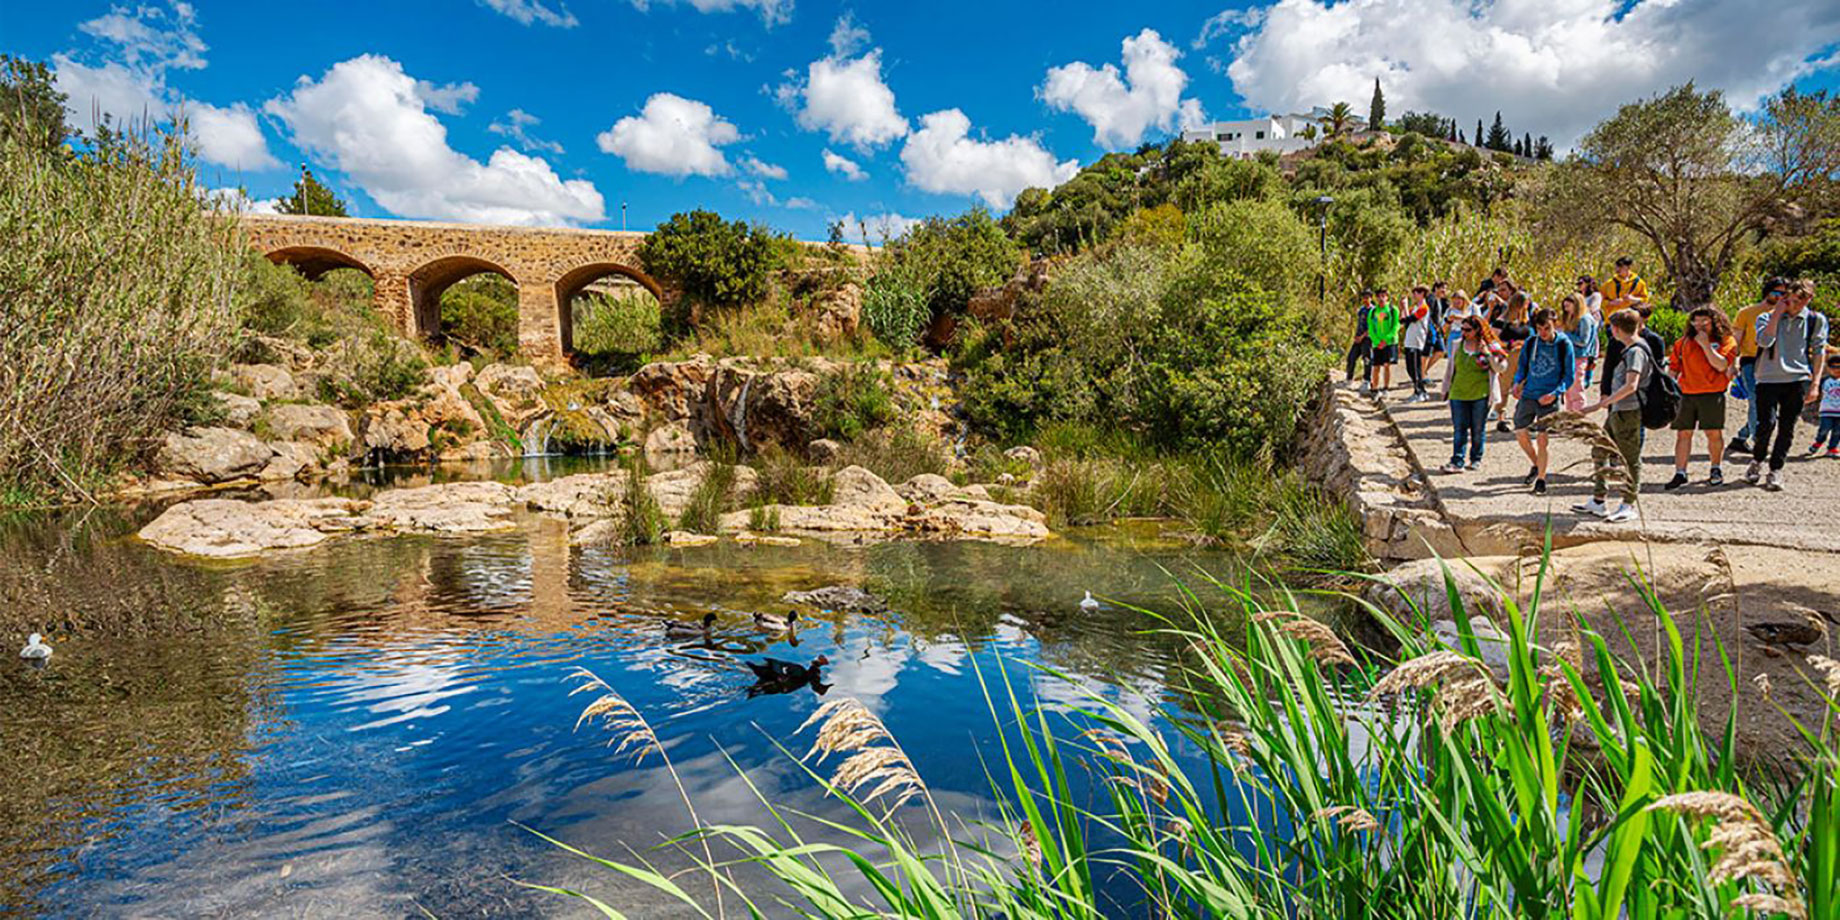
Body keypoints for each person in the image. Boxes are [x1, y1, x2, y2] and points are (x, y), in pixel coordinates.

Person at [1747, 278, 1831, 490]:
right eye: (1790, 300)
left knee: (1787, 427)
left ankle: (1776, 469)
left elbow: (1819, 351)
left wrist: (1815, 384)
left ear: (1809, 299)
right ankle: (1757, 459)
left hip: (1797, 379)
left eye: (1799, 301)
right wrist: (1777, 314)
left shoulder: (1815, 320)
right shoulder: (1766, 317)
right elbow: (1764, 341)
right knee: (1766, 424)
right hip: (1768, 377)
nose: (1794, 305)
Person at [1575, 309, 1650, 524]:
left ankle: (1628, 505)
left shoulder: (1636, 351)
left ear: (1616, 329)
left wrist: (1601, 404)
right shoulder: (1630, 349)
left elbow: (1631, 385)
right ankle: (1598, 500)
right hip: (1618, 411)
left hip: (1628, 411)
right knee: (1600, 450)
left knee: (1630, 459)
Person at [1665, 307, 1737, 488]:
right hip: (1685, 394)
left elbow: (1721, 365)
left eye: (1704, 322)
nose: (1699, 326)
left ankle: (1715, 468)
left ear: (1715, 322)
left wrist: (1705, 345)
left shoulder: (1727, 341)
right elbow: (1673, 369)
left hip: (1712, 394)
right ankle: (1680, 472)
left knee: (1713, 433)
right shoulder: (1682, 342)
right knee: (1683, 433)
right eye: (1695, 322)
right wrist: (1667, 391)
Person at [1511, 307, 1575, 494]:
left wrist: (1556, 393)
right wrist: (1517, 383)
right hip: (1529, 394)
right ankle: (1536, 464)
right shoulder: (1531, 342)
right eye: (1539, 329)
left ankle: (1541, 479)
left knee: (1542, 440)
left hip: (1549, 397)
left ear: (1555, 325)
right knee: (1520, 432)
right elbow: (1522, 367)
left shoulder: (1564, 344)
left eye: (1547, 328)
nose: (1543, 333)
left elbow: (1569, 376)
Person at [1439, 316, 1507, 472]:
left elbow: (1501, 368)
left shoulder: (1491, 347)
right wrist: (1445, 389)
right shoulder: (1457, 345)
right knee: (1459, 429)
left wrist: (1488, 354)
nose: (1464, 332)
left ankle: (1476, 458)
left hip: (1480, 394)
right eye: (1462, 329)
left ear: (1478, 330)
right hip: (1458, 393)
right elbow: (1451, 369)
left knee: (1478, 429)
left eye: (1468, 330)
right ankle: (1457, 461)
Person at [1728, 278, 1789, 456]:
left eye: (1784, 294)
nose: (1780, 297)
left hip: (1776, 363)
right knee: (1756, 401)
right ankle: (1758, 442)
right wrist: (1731, 364)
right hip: (1751, 361)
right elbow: (1735, 341)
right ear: (1767, 292)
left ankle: (1742, 436)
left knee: (1770, 405)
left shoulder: (1788, 314)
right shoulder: (1747, 313)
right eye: (1776, 292)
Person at [1491, 293, 1532, 431]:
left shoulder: (1526, 320)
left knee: (1525, 386)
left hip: (1524, 356)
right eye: (1525, 303)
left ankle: (1523, 417)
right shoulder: (1502, 321)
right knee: (1504, 387)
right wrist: (1509, 344)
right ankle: (1500, 417)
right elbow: (1492, 339)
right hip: (1508, 356)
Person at [1559, 293, 1599, 411]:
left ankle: (1578, 415)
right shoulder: (1573, 318)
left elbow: (1583, 341)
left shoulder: (1585, 319)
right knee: (1568, 391)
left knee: (1576, 390)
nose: (1566, 310)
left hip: (1579, 357)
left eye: (1568, 306)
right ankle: (1570, 415)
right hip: (1569, 356)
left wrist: (1565, 334)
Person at [1401, 285, 1433, 401]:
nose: (1415, 295)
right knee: (1410, 367)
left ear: (1423, 294)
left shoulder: (1424, 308)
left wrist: (1405, 307)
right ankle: (1421, 390)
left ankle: (1419, 392)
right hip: (1409, 339)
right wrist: (1403, 308)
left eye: (1417, 292)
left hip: (1417, 340)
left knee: (1415, 368)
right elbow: (1403, 320)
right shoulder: (1414, 307)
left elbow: (1410, 319)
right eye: (1414, 292)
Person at [1367, 287, 1400, 394]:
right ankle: (1374, 389)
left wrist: (1386, 340)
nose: (1381, 299)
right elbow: (1371, 329)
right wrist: (1377, 341)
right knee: (1376, 366)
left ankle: (1386, 388)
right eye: (1379, 297)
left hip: (1389, 342)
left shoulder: (1393, 310)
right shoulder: (1372, 312)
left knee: (1387, 365)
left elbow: (1396, 326)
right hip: (1377, 343)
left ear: (1387, 297)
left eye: (1383, 296)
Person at [1807, 354, 1840, 458]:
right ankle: (1818, 442)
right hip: (1827, 411)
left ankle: (1832, 448)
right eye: (1834, 367)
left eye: (1839, 367)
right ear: (1829, 368)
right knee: (1824, 429)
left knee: (1838, 431)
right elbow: (1814, 388)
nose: (1837, 370)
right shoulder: (1824, 380)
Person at [1576, 276, 1604, 386]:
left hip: (1591, 323)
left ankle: (1589, 376)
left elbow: (1593, 308)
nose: (1579, 285)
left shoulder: (1595, 296)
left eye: (1581, 283)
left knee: (1591, 348)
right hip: (1578, 324)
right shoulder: (1578, 296)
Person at [1345, 290, 1375, 383]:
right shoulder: (1361, 309)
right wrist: (1356, 336)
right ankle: (1349, 378)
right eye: (1364, 297)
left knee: (1367, 359)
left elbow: (1372, 327)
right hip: (1358, 338)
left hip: (1367, 338)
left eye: (1367, 297)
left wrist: (1362, 336)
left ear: (1371, 298)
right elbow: (1359, 324)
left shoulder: (1373, 311)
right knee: (1351, 357)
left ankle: (1367, 379)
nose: (1365, 299)